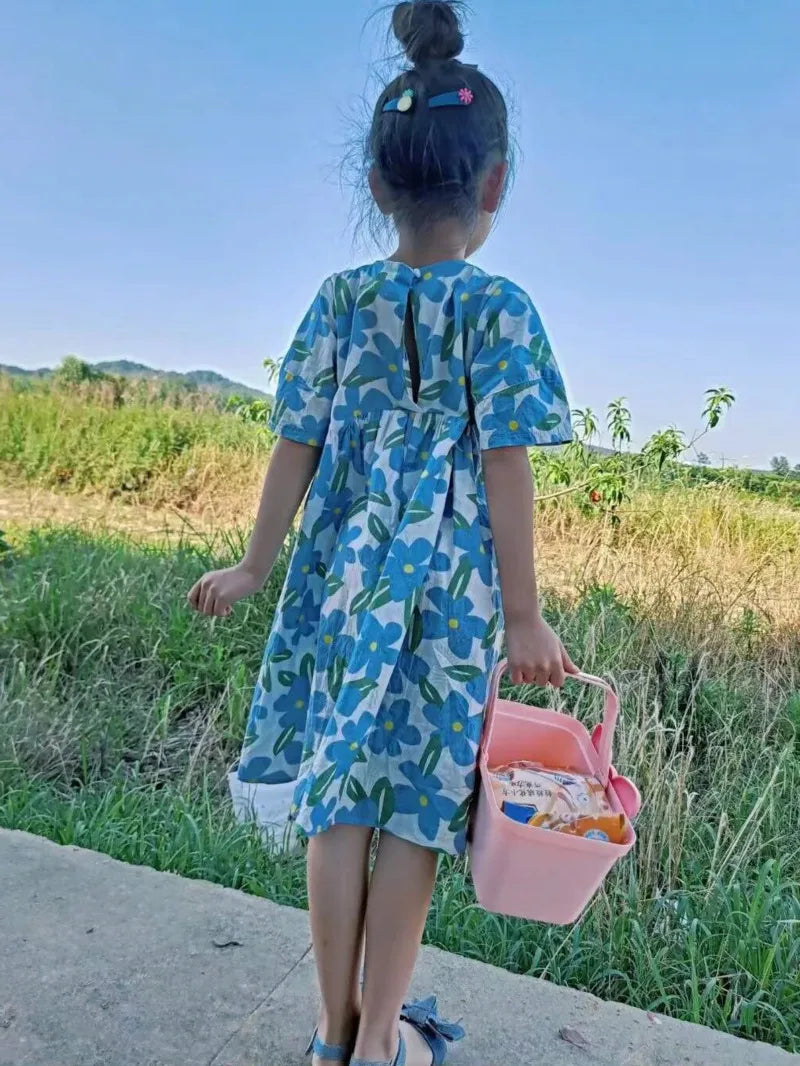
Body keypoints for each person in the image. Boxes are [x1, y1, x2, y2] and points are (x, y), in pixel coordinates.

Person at [188, 2, 577, 1063]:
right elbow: (505, 471)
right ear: (493, 184)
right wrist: (527, 618)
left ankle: (333, 1031)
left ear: (374, 184)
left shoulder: (335, 300)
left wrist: (255, 561)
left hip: (337, 579)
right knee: (415, 813)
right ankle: (377, 1049)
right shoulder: (500, 311)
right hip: (448, 595)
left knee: (337, 800)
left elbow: (294, 444)